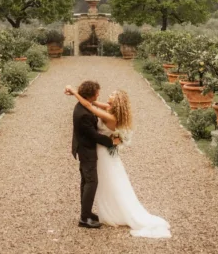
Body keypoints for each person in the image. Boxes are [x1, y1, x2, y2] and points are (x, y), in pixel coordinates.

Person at [66, 82, 171, 239]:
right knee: (93, 181)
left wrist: (74, 92)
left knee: (100, 181)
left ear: (117, 102)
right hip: (98, 150)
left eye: (112, 95)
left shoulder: (110, 116)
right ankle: (87, 213)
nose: (108, 95)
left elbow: (91, 107)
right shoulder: (109, 108)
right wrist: (76, 92)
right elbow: (91, 102)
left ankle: (96, 213)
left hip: (103, 152)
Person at [70, 79, 119, 228]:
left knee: (86, 181)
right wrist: (113, 142)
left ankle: (86, 212)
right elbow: (94, 136)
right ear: (91, 95)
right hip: (86, 150)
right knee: (91, 182)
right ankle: (84, 218)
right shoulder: (84, 114)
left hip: (84, 148)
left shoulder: (84, 106)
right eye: (97, 92)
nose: (99, 94)